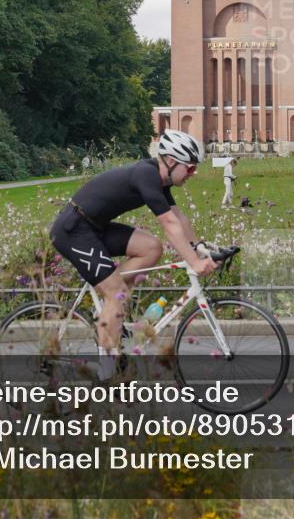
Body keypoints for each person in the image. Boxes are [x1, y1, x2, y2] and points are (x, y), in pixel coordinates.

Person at [50, 130, 219, 374]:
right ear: (171, 162)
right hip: (73, 230)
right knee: (115, 291)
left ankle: (113, 306)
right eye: (190, 168)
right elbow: (169, 224)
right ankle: (108, 372)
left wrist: (199, 247)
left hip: (95, 227)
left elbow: (178, 217)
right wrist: (193, 262)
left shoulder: (160, 180)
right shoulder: (146, 174)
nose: (193, 174)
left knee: (151, 247)